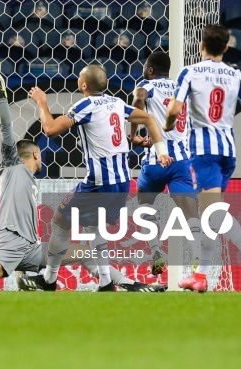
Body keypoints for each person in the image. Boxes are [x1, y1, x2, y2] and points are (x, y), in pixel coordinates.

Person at [0, 65, 162, 293]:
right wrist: (1, 95)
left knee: (83, 251)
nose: (42, 159)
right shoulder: (11, 166)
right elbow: (7, 127)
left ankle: (125, 283)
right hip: (7, 243)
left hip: (31, 246)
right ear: (35, 154)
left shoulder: (32, 179)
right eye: (40, 154)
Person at [28, 64, 172, 292]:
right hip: (122, 182)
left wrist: (41, 102)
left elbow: (50, 129)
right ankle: (105, 281)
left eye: (79, 76)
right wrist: (161, 151)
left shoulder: (84, 106)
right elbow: (149, 118)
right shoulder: (117, 103)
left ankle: (49, 279)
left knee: (59, 220)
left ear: (84, 85)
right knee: (94, 226)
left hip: (99, 182)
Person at [164, 24, 241, 291]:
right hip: (228, 153)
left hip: (204, 152)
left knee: (211, 212)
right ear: (226, 47)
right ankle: (205, 275)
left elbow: (174, 109)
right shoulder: (237, 76)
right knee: (213, 212)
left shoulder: (190, 72)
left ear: (201, 45)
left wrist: (167, 125)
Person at [130, 50, 201, 277]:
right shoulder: (181, 88)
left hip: (155, 160)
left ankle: (156, 252)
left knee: (144, 205)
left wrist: (133, 134)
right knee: (189, 211)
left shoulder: (147, 85)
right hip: (181, 161)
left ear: (150, 70)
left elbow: (138, 99)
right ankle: (198, 254)